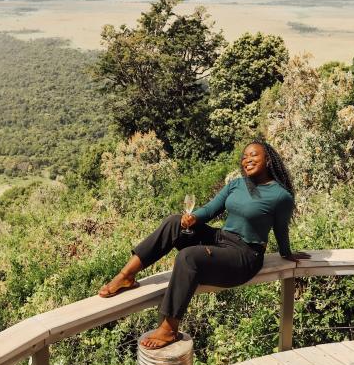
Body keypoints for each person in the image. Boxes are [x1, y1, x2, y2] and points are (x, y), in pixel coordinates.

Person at [98, 139, 310, 348]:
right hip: (221, 239)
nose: (247, 160)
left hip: (244, 256)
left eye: (254, 155)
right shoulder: (236, 184)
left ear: (268, 160)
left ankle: (170, 328)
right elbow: (209, 210)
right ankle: (127, 275)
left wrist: (287, 253)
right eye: (244, 157)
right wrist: (193, 218)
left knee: (188, 257)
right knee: (174, 222)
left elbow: (281, 230)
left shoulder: (281, 196)